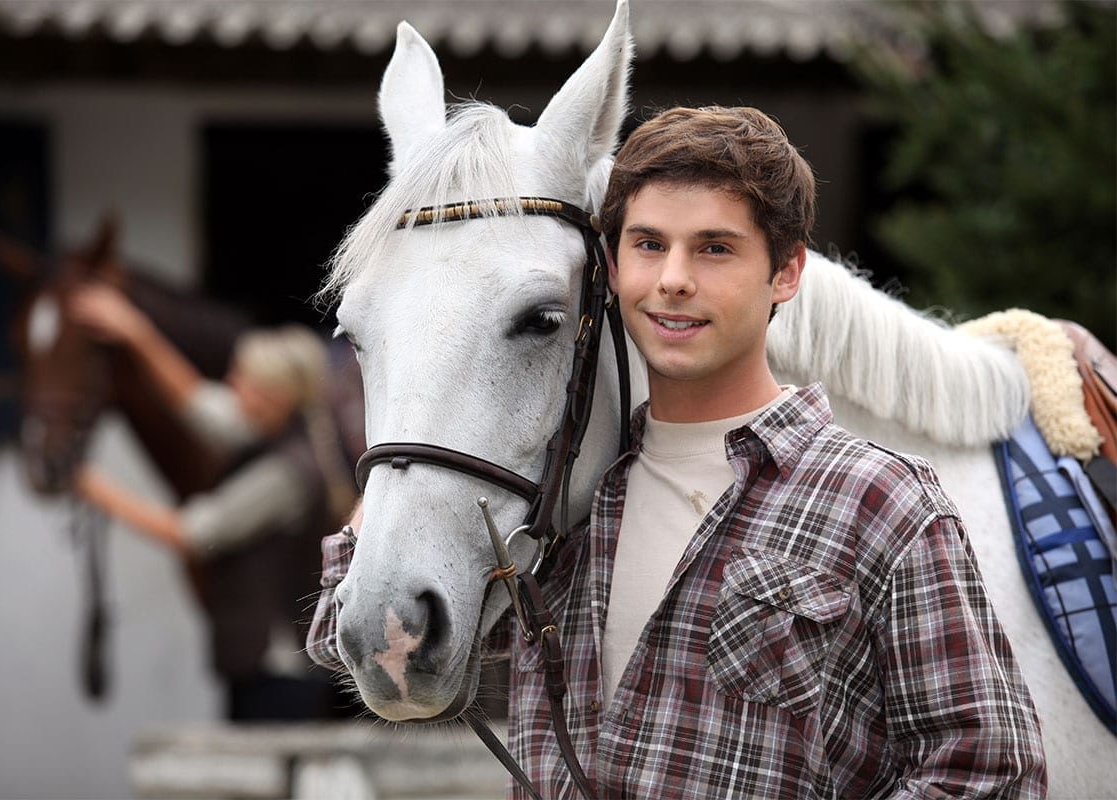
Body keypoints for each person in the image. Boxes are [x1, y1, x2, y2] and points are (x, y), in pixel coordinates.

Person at [311, 105, 1048, 796]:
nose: (672, 280)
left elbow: (989, 770)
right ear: (611, 264)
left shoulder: (883, 500)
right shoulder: (573, 511)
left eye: (715, 249)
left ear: (786, 271)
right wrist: (411, 433)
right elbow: (358, 633)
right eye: (649, 245)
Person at [68, 284, 359, 722]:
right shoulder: (279, 429)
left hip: (282, 678)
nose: (230, 387)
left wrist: (93, 487)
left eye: (242, 382)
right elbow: (198, 404)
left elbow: (192, 532)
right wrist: (135, 331)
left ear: (274, 399)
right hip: (265, 669)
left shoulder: (288, 473)